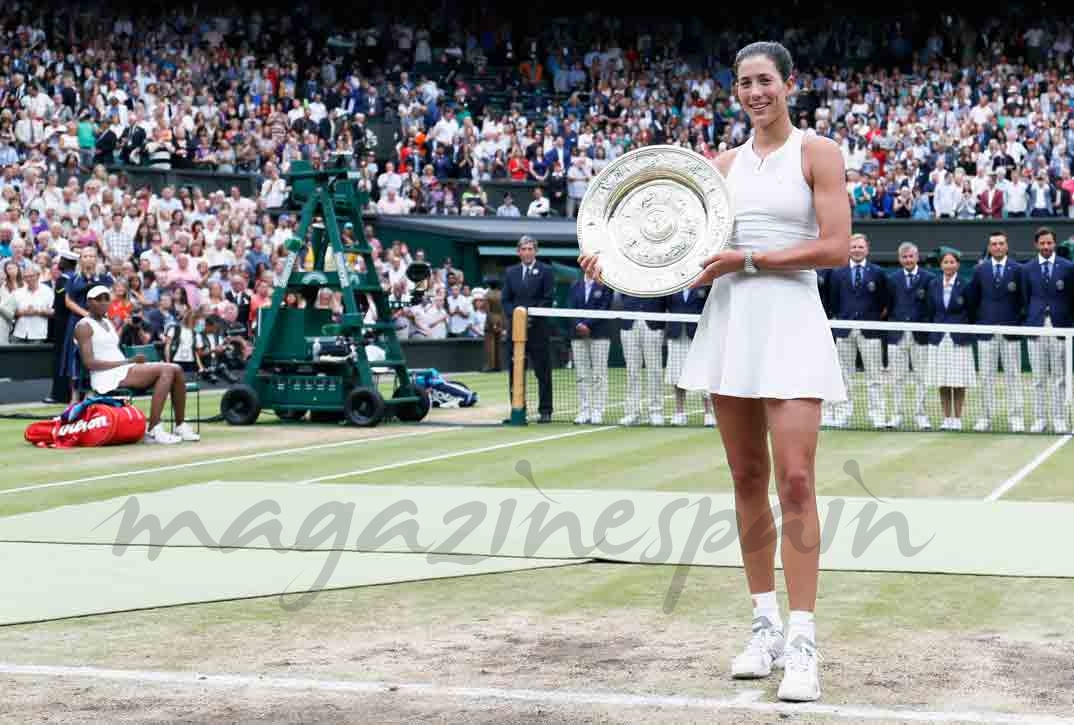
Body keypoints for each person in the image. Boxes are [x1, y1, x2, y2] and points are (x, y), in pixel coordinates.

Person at [582, 40, 847, 703]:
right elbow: (676, 252)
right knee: (747, 477)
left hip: (790, 319)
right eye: (743, 83)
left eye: (765, 80)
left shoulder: (817, 153)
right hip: (731, 324)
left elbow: (836, 247)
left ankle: (805, 642)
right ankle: (765, 627)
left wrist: (750, 261)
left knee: (795, 478)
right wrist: (610, 263)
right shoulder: (718, 167)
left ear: (789, 83)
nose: (755, 92)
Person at [74, 285, 200, 444]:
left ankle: (180, 425)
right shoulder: (83, 326)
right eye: (99, 299)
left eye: (107, 299)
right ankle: (154, 428)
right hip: (105, 376)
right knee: (167, 369)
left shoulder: (107, 322)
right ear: (89, 302)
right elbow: (89, 363)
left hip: (122, 369)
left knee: (176, 369)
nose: (104, 303)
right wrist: (127, 362)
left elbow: (113, 349)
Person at [827, 233, 890, 428]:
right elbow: (833, 301)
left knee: (875, 377)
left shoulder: (878, 273)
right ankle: (844, 414)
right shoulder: (837, 273)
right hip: (844, 331)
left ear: (867, 249)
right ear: (848, 249)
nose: (857, 250)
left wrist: (871, 320)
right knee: (844, 376)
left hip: (870, 331)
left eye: (860, 247)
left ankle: (877, 415)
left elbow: (884, 303)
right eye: (853, 247)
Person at [966, 230, 1026, 432]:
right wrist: (980, 324)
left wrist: (1016, 323)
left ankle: (1016, 418)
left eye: (1001, 243)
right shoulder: (979, 270)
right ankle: (985, 417)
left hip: (1011, 331)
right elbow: (973, 300)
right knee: (986, 376)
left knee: (1013, 376)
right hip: (986, 331)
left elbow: (1023, 301)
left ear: (1006, 246)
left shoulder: (1018, 269)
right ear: (989, 247)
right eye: (994, 244)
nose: (998, 247)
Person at [1021, 227, 1073, 433]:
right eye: (1042, 243)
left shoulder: (1068, 267)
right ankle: (1040, 419)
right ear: (1036, 245)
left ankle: (1059, 418)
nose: (1046, 246)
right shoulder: (1027, 269)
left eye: (1049, 243)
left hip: (1060, 327)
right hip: (1036, 326)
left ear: (1055, 243)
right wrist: (1032, 318)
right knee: (1038, 378)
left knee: (1060, 376)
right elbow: (1025, 298)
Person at [501, 235, 554, 422]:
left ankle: (545, 411)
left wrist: (529, 317)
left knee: (543, 371)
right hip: (516, 333)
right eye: (523, 249)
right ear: (518, 252)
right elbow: (506, 300)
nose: (527, 252)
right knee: (515, 371)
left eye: (530, 249)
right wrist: (516, 317)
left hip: (538, 331)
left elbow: (547, 299)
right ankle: (517, 409)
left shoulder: (546, 271)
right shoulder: (510, 272)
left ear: (536, 251)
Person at [926, 249, 977, 430]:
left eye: (952, 262)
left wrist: (963, 330)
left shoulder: (966, 284)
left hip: (959, 338)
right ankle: (947, 418)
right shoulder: (933, 284)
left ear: (958, 265)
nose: (949, 265)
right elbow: (930, 310)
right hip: (939, 338)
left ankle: (958, 418)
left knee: (959, 381)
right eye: (946, 262)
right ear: (941, 265)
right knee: (943, 381)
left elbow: (971, 310)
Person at [885, 242, 934, 430]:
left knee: (922, 377)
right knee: (898, 378)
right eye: (904, 257)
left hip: (920, 336)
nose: (908, 260)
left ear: (917, 257)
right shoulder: (892, 279)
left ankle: (921, 416)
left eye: (911, 256)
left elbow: (931, 306)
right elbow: (888, 305)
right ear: (899, 259)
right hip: (896, 336)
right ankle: (897, 415)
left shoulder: (929, 279)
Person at [566, 266, 613, 424]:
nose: (591, 267)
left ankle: (598, 411)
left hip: (599, 334)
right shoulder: (574, 285)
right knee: (581, 375)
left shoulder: (606, 286)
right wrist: (578, 325)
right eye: (588, 264)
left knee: (599, 375)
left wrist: (588, 324)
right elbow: (570, 307)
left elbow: (604, 307)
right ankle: (584, 410)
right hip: (578, 335)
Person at [664, 284, 715, 426]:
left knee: (704, 375)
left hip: (700, 335)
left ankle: (708, 413)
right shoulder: (671, 287)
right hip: (676, 334)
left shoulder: (705, 286)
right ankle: (679, 413)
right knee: (676, 376)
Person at [617, 293, 668, 426]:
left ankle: (655, 412)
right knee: (632, 371)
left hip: (653, 322)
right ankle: (632, 412)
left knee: (654, 371)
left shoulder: (658, 272)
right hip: (629, 322)